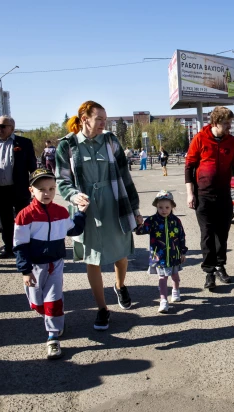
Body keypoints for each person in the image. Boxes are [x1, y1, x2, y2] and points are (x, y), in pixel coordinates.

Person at [56, 101, 143, 330]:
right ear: (85, 119)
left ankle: (120, 285)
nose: (104, 123)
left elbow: (125, 176)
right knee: (92, 258)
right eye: (99, 119)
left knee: (120, 253)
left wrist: (135, 209)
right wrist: (73, 196)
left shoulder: (111, 140)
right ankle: (102, 308)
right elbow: (62, 180)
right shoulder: (67, 145)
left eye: (105, 119)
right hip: (86, 209)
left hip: (115, 203)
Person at [13, 169, 87, 359]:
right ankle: (49, 317)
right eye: (42, 189)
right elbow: (20, 245)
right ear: (31, 190)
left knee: (53, 300)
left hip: (55, 264)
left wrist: (81, 213)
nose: (47, 193)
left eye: (52, 189)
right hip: (35, 267)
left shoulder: (60, 212)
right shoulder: (24, 216)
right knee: (38, 304)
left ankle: (53, 337)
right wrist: (25, 271)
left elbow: (74, 229)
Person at [185, 106, 234, 290]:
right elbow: (189, 166)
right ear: (215, 123)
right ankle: (209, 272)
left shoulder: (232, 142)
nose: (229, 127)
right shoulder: (200, 138)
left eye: (230, 123)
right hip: (203, 195)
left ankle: (220, 265)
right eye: (226, 124)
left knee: (223, 233)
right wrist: (190, 193)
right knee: (207, 234)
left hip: (224, 196)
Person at [0, 115, 37, 259]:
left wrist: (35, 185)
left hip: (19, 188)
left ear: (12, 129)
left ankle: (25, 247)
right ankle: (9, 248)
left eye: (2, 126)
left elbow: (32, 166)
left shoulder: (24, 143)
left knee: (24, 220)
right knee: (5, 221)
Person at [135, 191, 187, 313]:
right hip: (159, 256)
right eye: (160, 207)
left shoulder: (176, 221)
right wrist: (139, 224)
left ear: (172, 207)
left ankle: (175, 291)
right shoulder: (152, 220)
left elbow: (181, 236)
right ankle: (163, 300)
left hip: (174, 255)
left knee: (175, 275)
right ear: (156, 207)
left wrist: (183, 252)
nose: (164, 210)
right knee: (162, 277)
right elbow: (140, 231)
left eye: (167, 207)